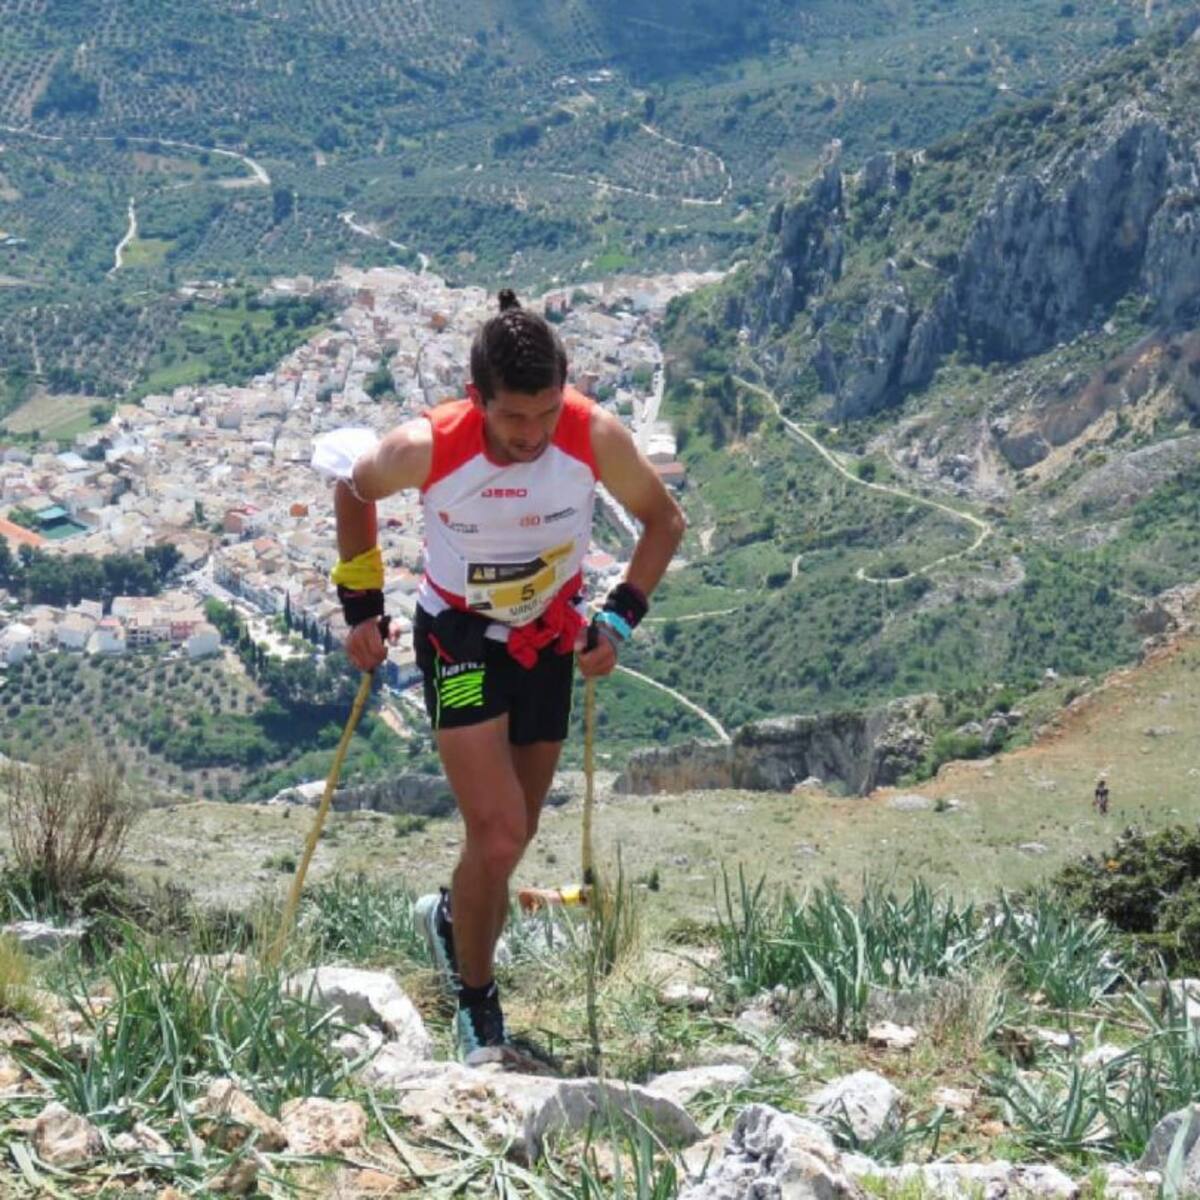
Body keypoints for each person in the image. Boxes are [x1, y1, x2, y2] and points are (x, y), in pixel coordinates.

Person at [322, 290, 685, 1064]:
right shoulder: (429, 446)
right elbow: (353, 488)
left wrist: (618, 619)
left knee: (510, 834)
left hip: (549, 639)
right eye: (513, 417)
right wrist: (361, 604)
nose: (531, 435)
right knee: (500, 831)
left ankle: (453, 920)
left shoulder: (592, 434)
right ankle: (477, 1004)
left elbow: (665, 521)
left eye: (546, 414)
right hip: (457, 643)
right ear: (476, 397)